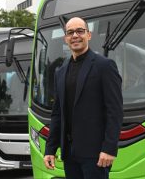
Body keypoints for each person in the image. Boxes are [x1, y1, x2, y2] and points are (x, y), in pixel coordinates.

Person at [44, 17, 123, 179]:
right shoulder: (60, 71)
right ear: (65, 38)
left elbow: (114, 111)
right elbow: (57, 113)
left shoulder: (105, 66)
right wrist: (50, 149)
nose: (75, 36)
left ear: (89, 35)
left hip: (95, 154)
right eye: (70, 32)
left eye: (80, 31)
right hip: (69, 153)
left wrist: (109, 148)